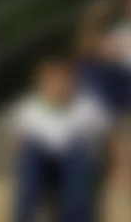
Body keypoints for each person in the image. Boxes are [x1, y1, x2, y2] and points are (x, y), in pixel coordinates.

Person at [13, 55, 110, 222]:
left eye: (63, 79)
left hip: (78, 167)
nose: (58, 84)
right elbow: (22, 149)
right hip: (46, 169)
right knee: (32, 148)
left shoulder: (88, 106)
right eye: (52, 80)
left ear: (72, 80)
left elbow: (109, 140)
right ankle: (25, 214)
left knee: (76, 148)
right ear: (42, 83)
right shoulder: (28, 109)